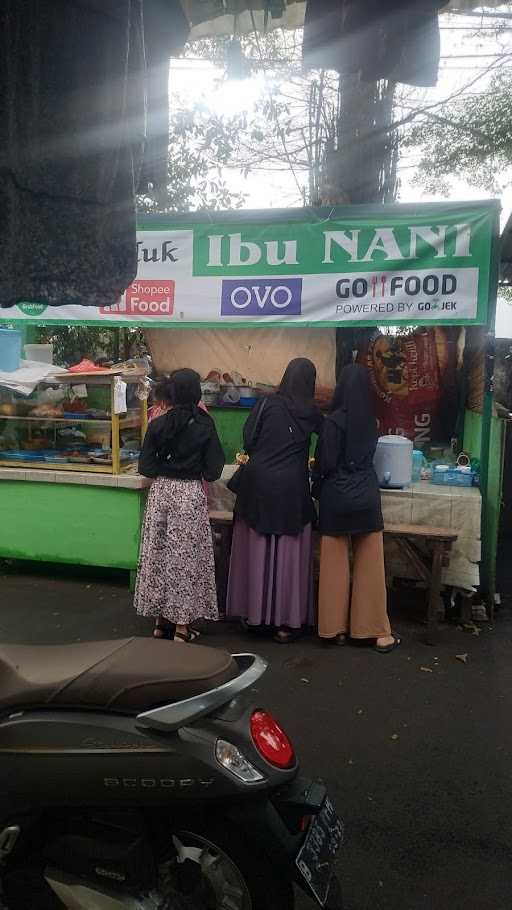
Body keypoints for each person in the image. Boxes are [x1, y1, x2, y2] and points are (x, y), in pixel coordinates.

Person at [226, 358, 323, 643]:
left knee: (256, 550)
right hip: (292, 489)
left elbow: (248, 439)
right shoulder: (312, 413)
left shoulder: (267, 403)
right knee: (287, 555)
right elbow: (329, 440)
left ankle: (253, 616)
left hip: (257, 484)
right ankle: (285, 624)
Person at [312, 363, 400, 653]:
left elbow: (325, 462)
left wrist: (317, 482)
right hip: (366, 496)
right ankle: (374, 630)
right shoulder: (372, 422)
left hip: (336, 498)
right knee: (370, 567)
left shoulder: (333, 421)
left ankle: (333, 629)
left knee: (334, 566)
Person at [134, 369, 225, 642]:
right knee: (184, 559)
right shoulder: (205, 424)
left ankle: (161, 622)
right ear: (196, 391)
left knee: (160, 555)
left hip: (161, 492)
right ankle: (183, 628)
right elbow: (213, 471)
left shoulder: (158, 423)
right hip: (188, 496)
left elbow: (145, 467)